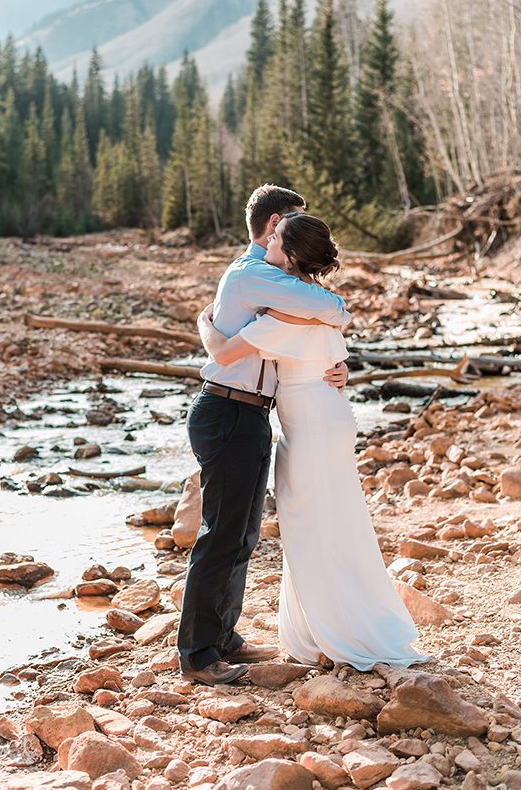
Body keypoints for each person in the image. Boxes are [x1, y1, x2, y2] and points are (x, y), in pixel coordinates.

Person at [197, 211, 426, 671]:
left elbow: (221, 352)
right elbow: (334, 345)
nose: (269, 246)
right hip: (328, 417)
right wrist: (339, 370)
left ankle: (336, 632)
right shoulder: (317, 303)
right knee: (337, 520)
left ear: (293, 252)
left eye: (277, 240)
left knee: (310, 527)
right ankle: (334, 624)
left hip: (310, 430)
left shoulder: (283, 316)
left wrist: (204, 318)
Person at [178, 184, 352, 687]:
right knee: (220, 534)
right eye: (295, 223)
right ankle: (196, 654)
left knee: (243, 534)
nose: (296, 235)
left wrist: (335, 366)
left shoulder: (263, 275)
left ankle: (223, 638)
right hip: (227, 412)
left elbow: (313, 329)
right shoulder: (257, 274)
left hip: (250, 414)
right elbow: (332, 306)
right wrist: (209, 333)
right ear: (275, 225)